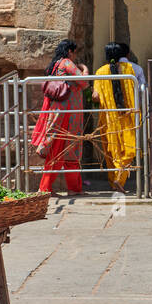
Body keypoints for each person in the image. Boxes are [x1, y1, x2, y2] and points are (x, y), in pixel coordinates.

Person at [31, 40, 90, 194]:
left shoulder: (56, 64)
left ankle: (72, 188)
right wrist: (84, 68)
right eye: (74, 52)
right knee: (64, 150)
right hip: (67, 114)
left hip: (60, 112)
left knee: (64, 150)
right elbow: (84, 83)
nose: (75, 55)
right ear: (70, 51)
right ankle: (46, 188)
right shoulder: (67, 63)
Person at [92, 42, 140, 192]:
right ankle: (118, 181)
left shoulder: (100, 72)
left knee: (111, 152)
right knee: (130, 150)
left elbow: (96, 97)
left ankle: (116, 181)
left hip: (109, 120)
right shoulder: (128, 69)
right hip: (127, 117)